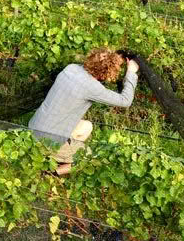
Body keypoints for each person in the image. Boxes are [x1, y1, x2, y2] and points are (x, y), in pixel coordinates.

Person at [28, 48, 139, 176]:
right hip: (48, 140)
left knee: (87, 126)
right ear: (107, 72)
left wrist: (112, 58)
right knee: (92, 157)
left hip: (34, 128)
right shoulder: (93, 87)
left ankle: (56, 158)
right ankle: (50, 173)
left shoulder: (71, 68)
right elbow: (125, 101)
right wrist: (131, 72)